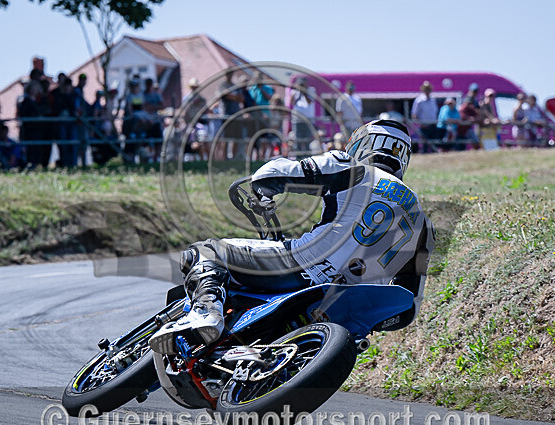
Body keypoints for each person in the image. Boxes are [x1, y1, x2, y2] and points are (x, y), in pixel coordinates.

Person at [148, 119, 434, 352]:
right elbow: (408, 305)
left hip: (304, 268)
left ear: (362, 145)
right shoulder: (423, 222)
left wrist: (262, 191)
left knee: (208, 251)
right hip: (353, 305)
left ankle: (206, 311)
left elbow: (274, 173)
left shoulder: (351, 166)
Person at [411, 81, 441, 153]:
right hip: (424, 126)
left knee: (434, 144)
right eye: (426, 89)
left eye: (429, 89)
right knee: (425, 145)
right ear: (423, 90)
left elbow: (435, 112)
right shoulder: (419, 100)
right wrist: (421, 124)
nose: (427, 90)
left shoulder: (433, 100)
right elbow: (414, 114)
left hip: (433, 125)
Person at [290, 76, 316, 151]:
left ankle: (307, 158)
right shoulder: (294, 92)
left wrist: (304, 92)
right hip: (297, 120)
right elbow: (291, 102)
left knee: (308, 141)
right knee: (298, 140)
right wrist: (297, 91)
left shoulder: (311, 90)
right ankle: (298, 158)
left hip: (308, 120)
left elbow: (309, 102)